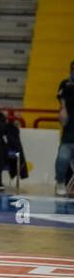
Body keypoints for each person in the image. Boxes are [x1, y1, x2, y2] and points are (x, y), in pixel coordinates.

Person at [58, 62, 74, 197]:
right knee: (63, 158)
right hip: (70, 130)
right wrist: (63, 107)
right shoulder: (65, 84)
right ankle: (61, 182)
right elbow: (61, 100)